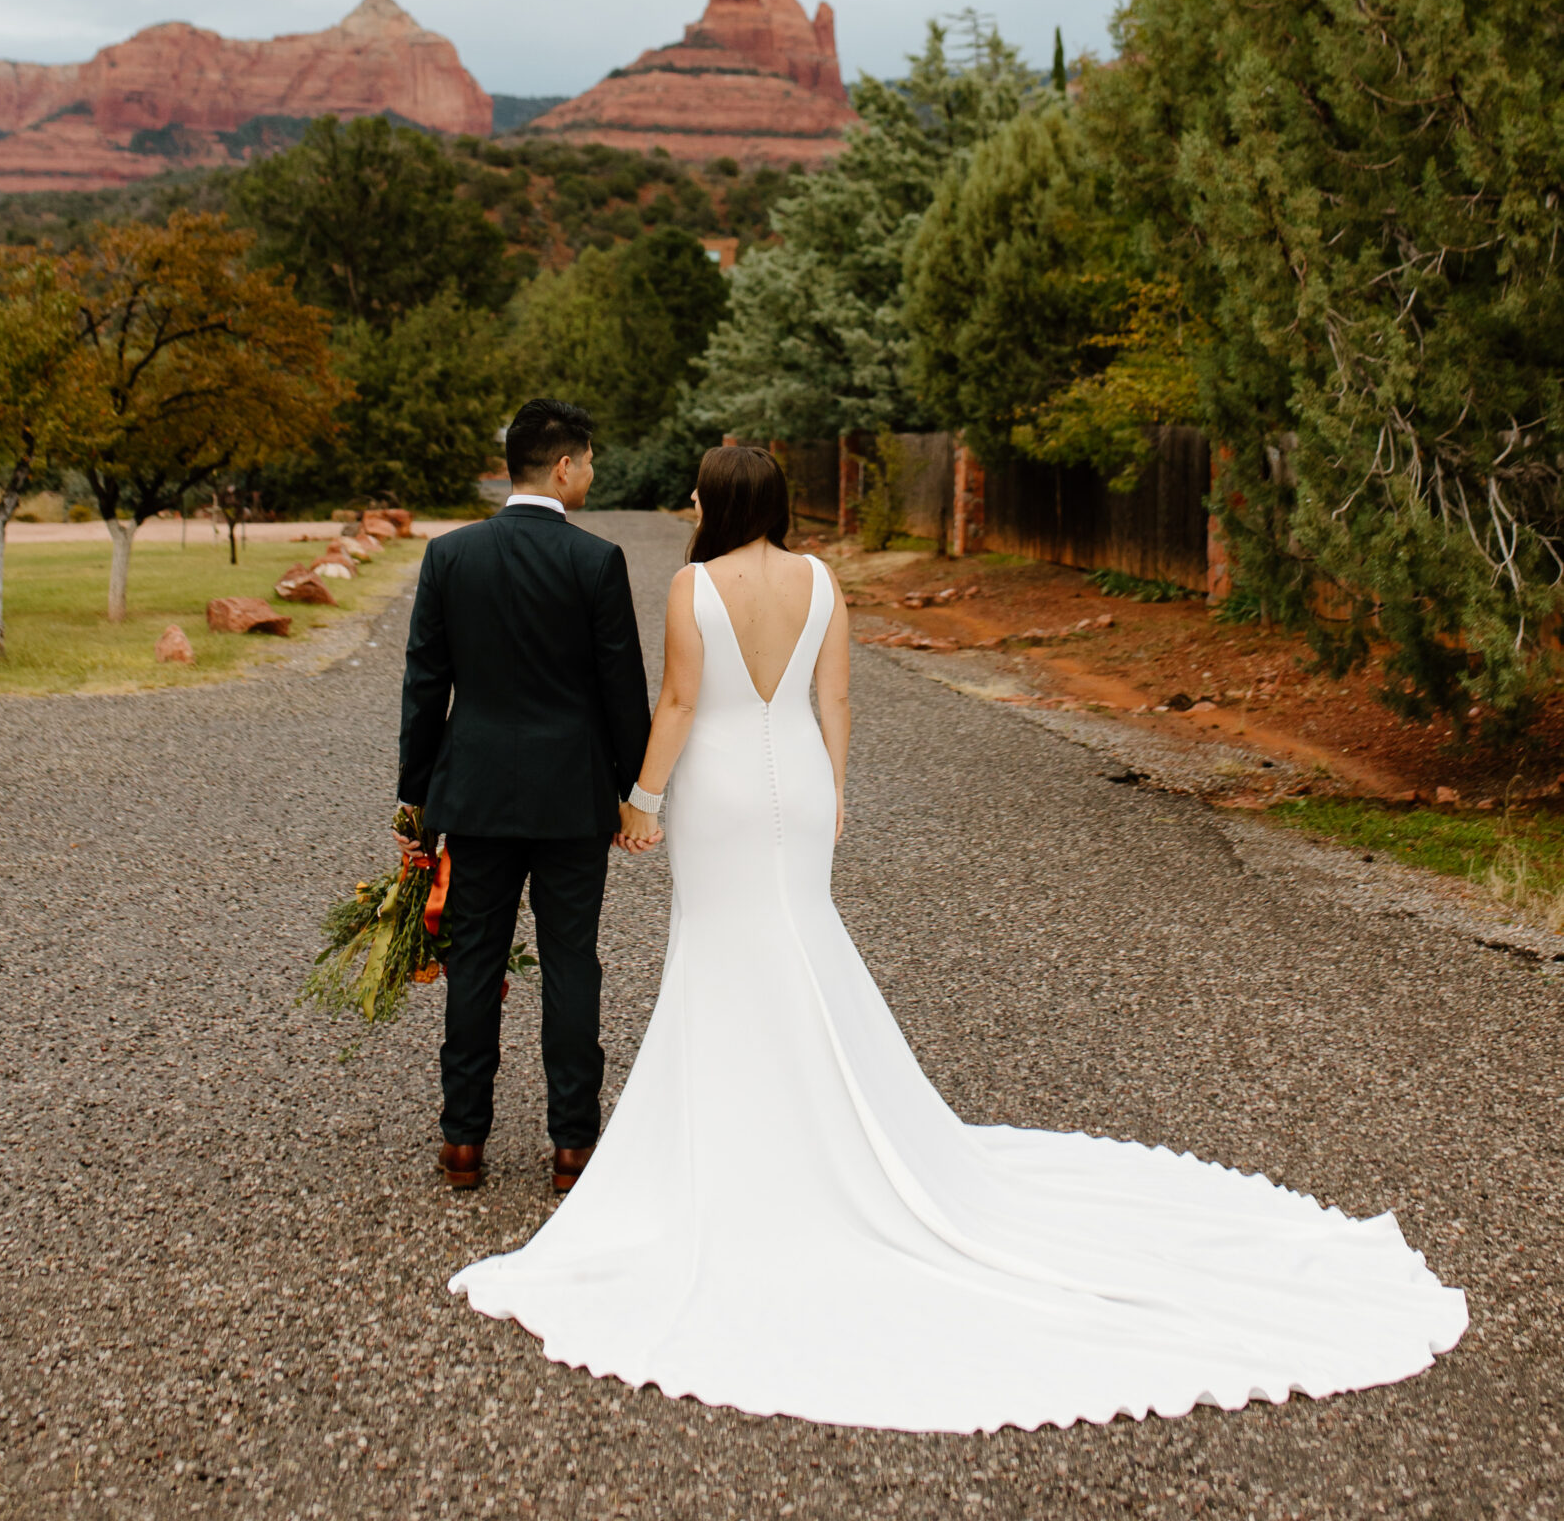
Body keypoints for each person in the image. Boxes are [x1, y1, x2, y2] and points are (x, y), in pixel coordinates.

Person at [448, 444, 1468, 1434]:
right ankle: (816, 1121)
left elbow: (676, 700)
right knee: (797, 932)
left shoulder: (693, 588)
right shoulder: (823, 580)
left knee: (721, 946)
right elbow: (833, 697)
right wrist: (836, 790)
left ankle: (743, 1137)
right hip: (796, 779)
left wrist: (642, 797)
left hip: (717, 784)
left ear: (714, 504)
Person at [397, 397, 652, 1198]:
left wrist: (416, 803)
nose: (593, 473)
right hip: (572, 799)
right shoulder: (596, 561)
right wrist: (632, 789)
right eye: (591, 460)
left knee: (473, 963)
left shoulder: (449, 557)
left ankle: (462, 1141)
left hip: (473, 795)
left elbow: (423, 686)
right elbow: (622, 691)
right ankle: (572, 1147)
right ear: (566, 466)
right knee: (572, 963)